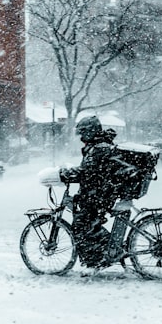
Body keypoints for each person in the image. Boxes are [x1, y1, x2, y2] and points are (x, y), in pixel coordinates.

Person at [59, 115, 121, 269]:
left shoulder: (99, 148)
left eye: (83, 133)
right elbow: (91, 171)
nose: (81, 137)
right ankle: (103, 253)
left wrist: (68, 173)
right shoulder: (99, 145)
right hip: (100, 191)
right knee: (87, 222)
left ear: (90, 132)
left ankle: (99, 259)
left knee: (82, 223)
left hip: (99, 194)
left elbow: (88, 172)